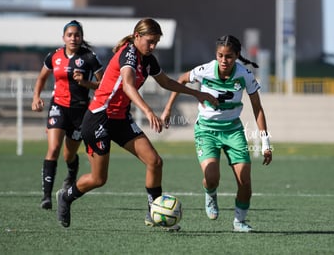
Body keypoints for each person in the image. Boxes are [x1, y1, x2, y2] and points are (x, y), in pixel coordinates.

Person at [55, 18, 219, 230]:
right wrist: (149, 111)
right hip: (98, 118)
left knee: (155, 162)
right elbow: (128, 87)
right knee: (98, 178)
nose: (153, 47)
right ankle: (66, 197)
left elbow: (167, 82)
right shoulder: (128, 53)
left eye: (156, 43)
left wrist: (197, 93)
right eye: (150, 41)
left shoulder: (148, 59)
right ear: (137, 36)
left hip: (120, 118)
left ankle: (153, 213)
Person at [161, 35, 273, 232]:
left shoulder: (244, 75)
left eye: (229, 56)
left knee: (245, 181)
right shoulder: (205, 70)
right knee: (212, 177)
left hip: (233, 131)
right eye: (220, 55)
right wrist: (168, 108)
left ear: (237, 56)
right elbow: (181, 79)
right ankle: (210, 194)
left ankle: (239, 222)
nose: (224, 60)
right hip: (206, 131)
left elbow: (258, 108)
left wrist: (265, 143)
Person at [32, 20, 103, 210]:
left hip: (80, 112)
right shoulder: (54, 56)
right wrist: (36, 96)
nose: (73, 38)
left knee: (68, 153)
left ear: (81, 37)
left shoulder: (89, 58)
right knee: (54, 148)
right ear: (63, 37)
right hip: (58, 107)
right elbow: (41, 78)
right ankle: (46, 197)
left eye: (77, 35)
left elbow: (105, 85)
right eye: (70, 35)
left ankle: (72, 173)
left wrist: (86, 83)